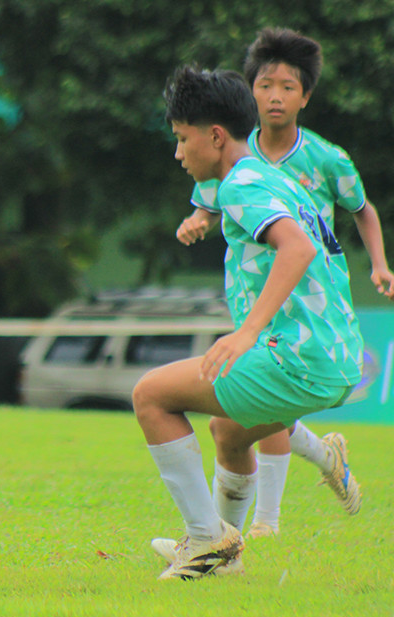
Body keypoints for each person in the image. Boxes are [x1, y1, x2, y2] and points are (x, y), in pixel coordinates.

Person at [138, 65, 364, 580]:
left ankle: (203, 541)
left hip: (298, 357)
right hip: (338, 359)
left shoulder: (240, 183)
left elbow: (298, 247)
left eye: (181, 138)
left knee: (150, 395)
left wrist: (246, 332)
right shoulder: (268, 175)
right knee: (229, 432)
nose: (178, 153)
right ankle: (223, 556)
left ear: (215, 136)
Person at [174, 28, 389, 538]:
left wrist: (379, 265)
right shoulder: (227, 151)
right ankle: (250, 523)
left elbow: (358, 212)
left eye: (287, 87)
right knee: (240, 423)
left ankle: (256, 527)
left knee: (230, 407)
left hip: (301, 311)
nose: (274, 95)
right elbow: (213, 202)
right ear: (250, 91)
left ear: (305, 97)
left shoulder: (325, 159)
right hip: (261, 302)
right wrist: (199, 222)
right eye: (265, 85)